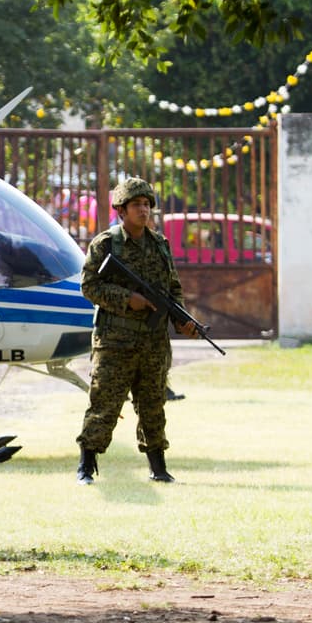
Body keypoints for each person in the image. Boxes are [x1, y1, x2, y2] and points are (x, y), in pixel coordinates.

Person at [75, 177, 197, 485]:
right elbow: (89, 287)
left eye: (147, 205)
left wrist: (181, 318)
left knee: (153, 405)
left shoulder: (160, 245)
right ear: (121, 210)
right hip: (115, 341)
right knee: (104, 405)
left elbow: (171, 288)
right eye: (136, 205)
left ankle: (158, 467)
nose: (143, 211)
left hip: (153, 342)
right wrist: (128, 299)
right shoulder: (105, 244)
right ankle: (86, 466)